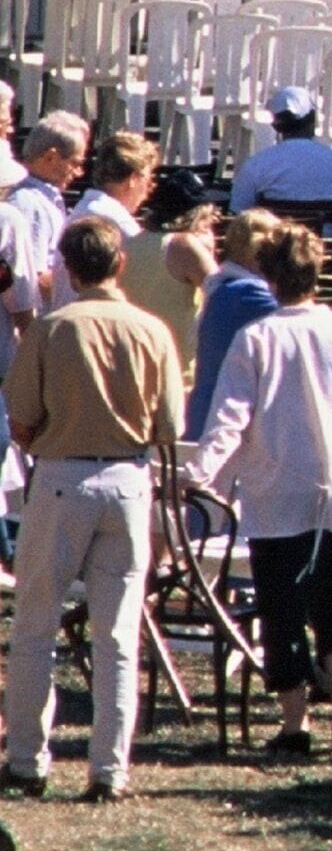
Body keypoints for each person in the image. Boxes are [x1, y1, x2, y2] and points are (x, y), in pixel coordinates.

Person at [187, 221, 332, 754]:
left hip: (277, 490)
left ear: (268, 274)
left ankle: (294, 722)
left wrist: (199, 475)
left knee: (282, 605)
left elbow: (230, 419)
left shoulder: (257, 338)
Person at [4, 218, 179, 799]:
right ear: (120, 264)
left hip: (60, 476)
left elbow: (22, 418)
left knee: (36, 624)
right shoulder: (151, 330)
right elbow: (170, 425)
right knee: (118, 632)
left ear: (71, 270)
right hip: (128, 477)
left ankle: (28, 760)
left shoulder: (51, 330)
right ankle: (110, 768)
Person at [228, 88, 332, 215]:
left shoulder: (256, 165)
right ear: (313, 119)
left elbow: (239, 211)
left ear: (275, 126)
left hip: (276, 238)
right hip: (326, 239)